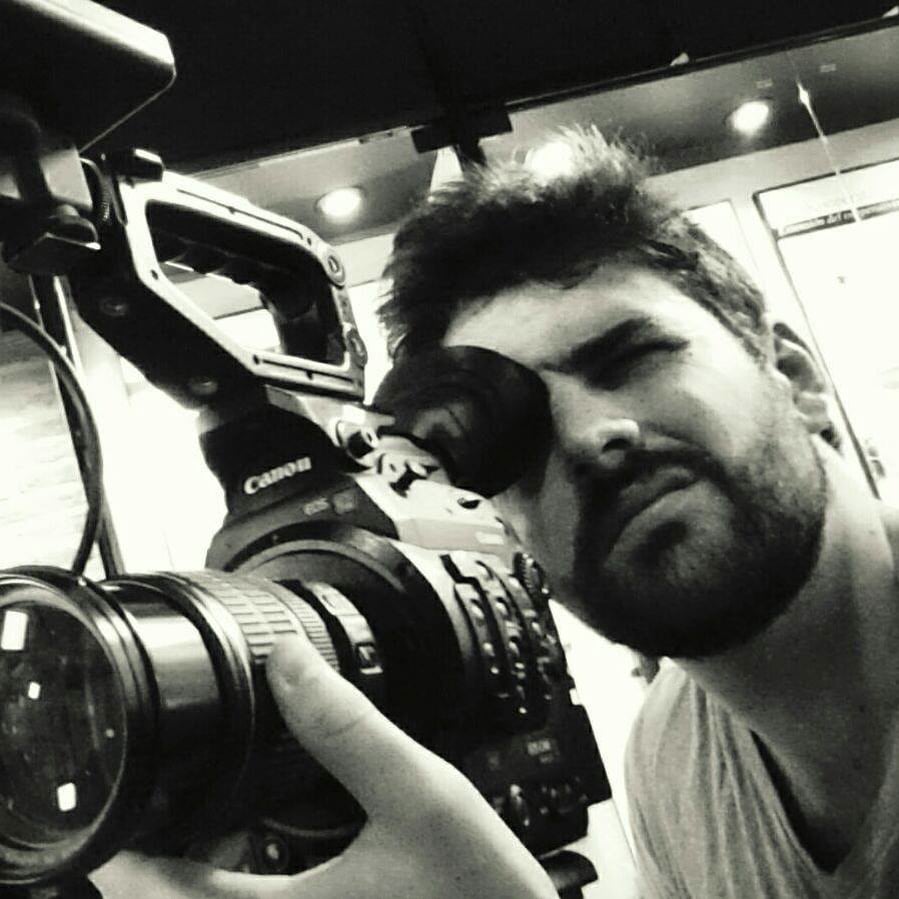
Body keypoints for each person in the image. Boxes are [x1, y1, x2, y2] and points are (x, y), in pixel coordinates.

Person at [380, 127, 899, 897]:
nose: (589, 438)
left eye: (628, 359)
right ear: (508, 527)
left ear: (792, 376)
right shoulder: (667, 754)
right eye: (519, 438)